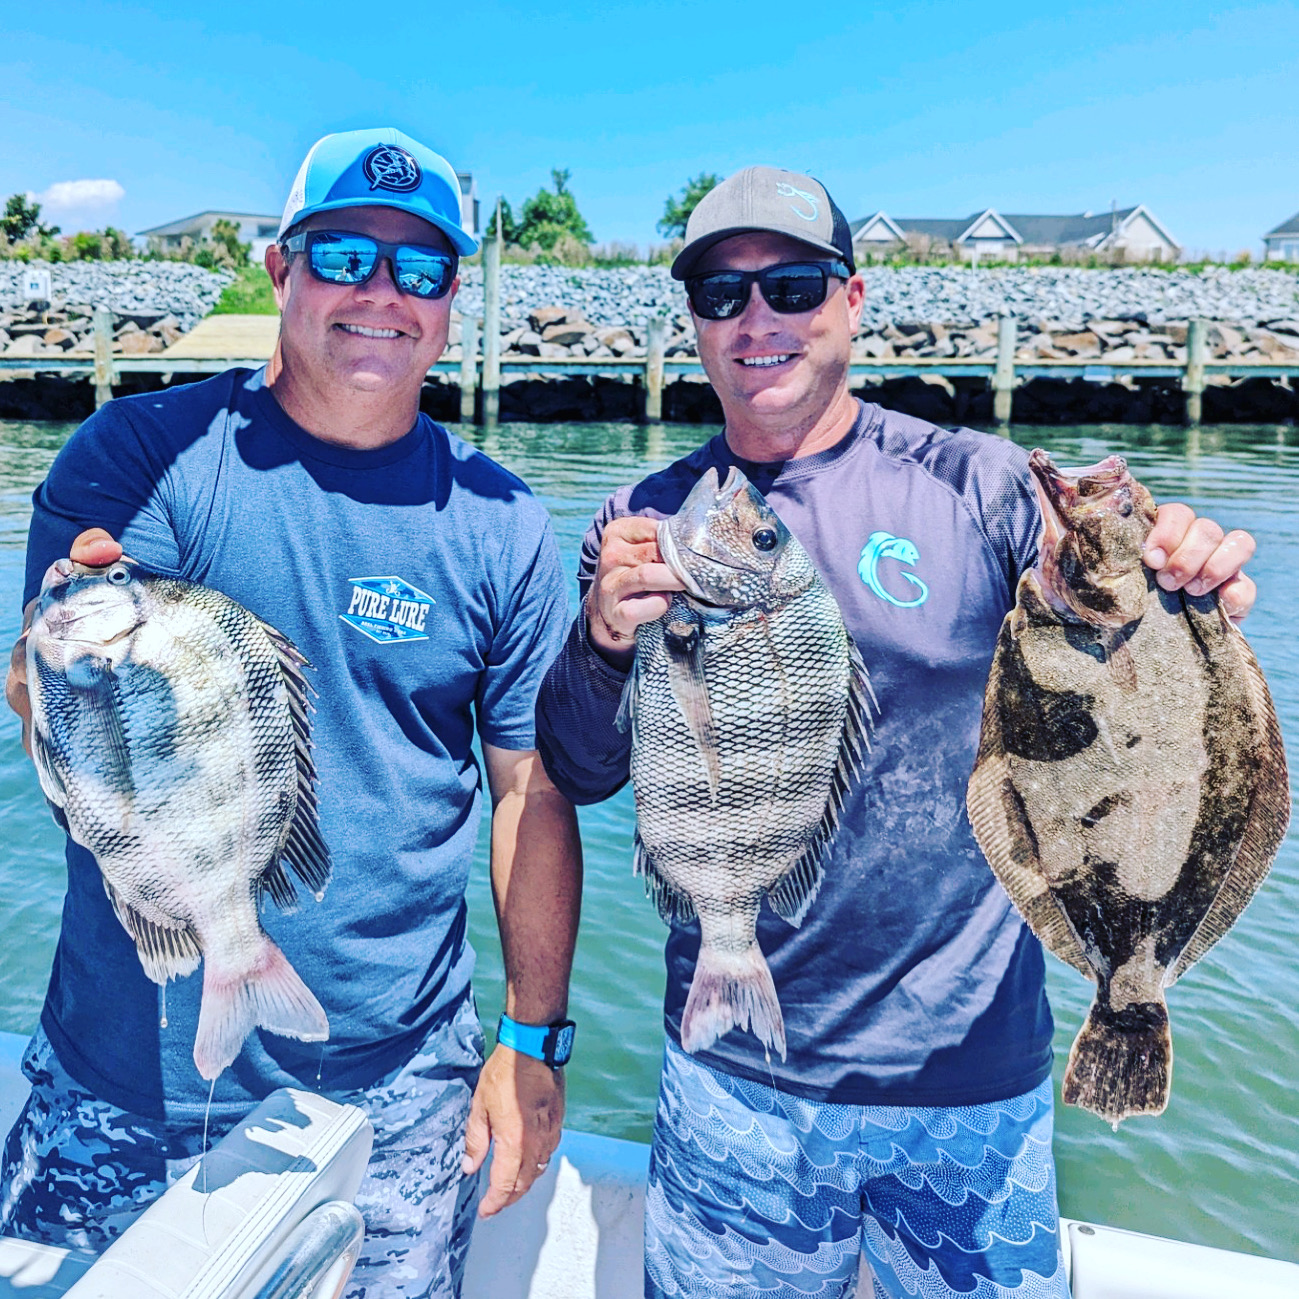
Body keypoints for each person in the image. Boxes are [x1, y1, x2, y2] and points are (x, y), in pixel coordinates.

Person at [535, 166, 1257, 1299]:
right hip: (734, 1078)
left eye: (793, 284)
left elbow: (1107, 613)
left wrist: (1184, 593)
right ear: (693, 325)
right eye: (722, 294)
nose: (757, 317)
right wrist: (601, 643)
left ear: (854, 301)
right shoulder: (643, 524)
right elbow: (577, 770)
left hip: (971, 1086)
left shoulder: (977, 484)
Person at [2, 127, 583, 1298]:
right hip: (119, 1068)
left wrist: (531, 1040)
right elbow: (46, 705)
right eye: (342, 256)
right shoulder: (142, 455)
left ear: (453, 298)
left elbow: (529, 792)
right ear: (280, 271)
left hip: (396, 1082)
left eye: (419, 269)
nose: (381, 292)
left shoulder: (503, 522)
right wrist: (49, 662)